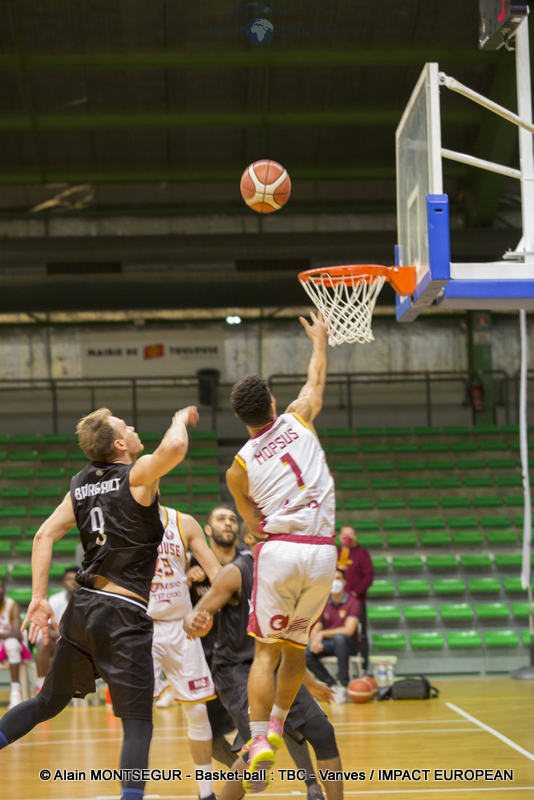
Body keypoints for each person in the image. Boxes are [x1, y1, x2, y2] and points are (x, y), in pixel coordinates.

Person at [0, 405, 198, 800]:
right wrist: (179, 417)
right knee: (138, 722)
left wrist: (39, 599)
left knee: (46, 702)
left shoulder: (79, 484)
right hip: (123, 615)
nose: (133, 426)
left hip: (83, 609)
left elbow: (43, 537)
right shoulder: (137, 474)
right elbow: (175, 446)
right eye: (126, 425)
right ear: (121, 444)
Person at [226, 312, 337, 788]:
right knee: (296, 646)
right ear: (272, 402)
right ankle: (275, 727)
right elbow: (315, 379)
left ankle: (255, 741)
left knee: (265, 653)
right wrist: (321, 340)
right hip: (322, 552)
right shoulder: (299, 417)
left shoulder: (238, 467)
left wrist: (256, 530)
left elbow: (253, 527)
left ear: (240, 417)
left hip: (281, 550)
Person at [184, 527, 343, 800]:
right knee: (256, 750)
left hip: (275, 666)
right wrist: (194, 622)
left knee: (323, 731)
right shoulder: (236, 572)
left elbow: (288, 642)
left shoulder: (289, 577)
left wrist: (307, 679)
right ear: (250, 540)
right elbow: (194, 616)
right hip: (235, 669)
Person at [149, 504, 221, 800]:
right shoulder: (121, 517)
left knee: (197, 711)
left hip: (182, 625)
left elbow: (217, 573)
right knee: (138, 714)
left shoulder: (183, 522)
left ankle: (206, 794)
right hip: (143, 626)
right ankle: (132, 791)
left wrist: (207, 609)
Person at [305, 568, 361, 703]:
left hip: (349, 644)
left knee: (340, 639)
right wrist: (315, 642)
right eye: (332, 579)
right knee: (305, 653)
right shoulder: (323, 602)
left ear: (344, 581)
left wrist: (322, 634)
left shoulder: (353, 602)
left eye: (338, 578)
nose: (335, 582)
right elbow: (316, 627)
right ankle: (331, 685)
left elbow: (349, 630)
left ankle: (343, 684)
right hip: (330, 644)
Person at [336, 524, 374, 672]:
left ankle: (363, 668)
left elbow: (368, 576)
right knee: (338, 634)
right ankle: (342, 670)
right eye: (344, 534)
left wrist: (355, 593)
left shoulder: (362, 554)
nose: (347, 537)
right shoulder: (335, 552)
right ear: (339, 536)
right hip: (336, 603)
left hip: (356, 602)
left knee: (361, 634)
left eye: (350, 535)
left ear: (355, 537)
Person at [34, 567, 78, 693]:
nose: (73, 582)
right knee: (43, 643)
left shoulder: (89, 600)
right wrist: (64, 635)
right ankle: (41, 686)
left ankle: (86, 681)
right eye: (69, 579)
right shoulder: (55, 600)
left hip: (81, 644)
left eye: (76, 579)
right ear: (63, 582)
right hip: (59, 641)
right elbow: (46, 628)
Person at [0, 578, 32, 709]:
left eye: (0, 586)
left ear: (4, 589)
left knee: (12, 643)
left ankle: (15, 693)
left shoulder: (12, 606)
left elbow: (17, 634)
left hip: (9, 645)